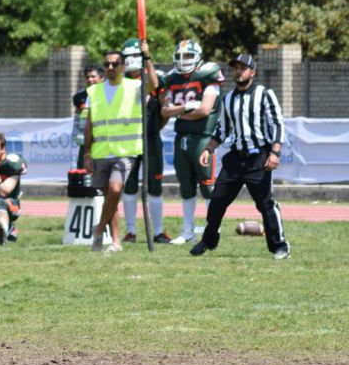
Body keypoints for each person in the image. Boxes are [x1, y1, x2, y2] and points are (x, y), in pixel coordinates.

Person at [190, 53, 291, 259]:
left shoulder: (264, 94)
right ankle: (209, 240)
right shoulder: (228, 99)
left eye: (243, 68)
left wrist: (275, 152)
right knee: (217, 200)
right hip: (235, 158)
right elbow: (222, 129)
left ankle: (280, 246)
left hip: (258, 158)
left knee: (265, 204)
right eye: (236, 68)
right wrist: (208, 149)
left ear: (252, 72)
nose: (238, 72)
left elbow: (277, 124)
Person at [81, 42, 156, 252]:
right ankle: (116, 242)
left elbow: (153, 84)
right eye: (107, 64)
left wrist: (147, 58)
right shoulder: (94, 91)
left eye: (115, 64)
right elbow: (89, 125)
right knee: (110, 199)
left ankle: (98, 230)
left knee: (115, 190)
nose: (111, 67)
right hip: (101, 152)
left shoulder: (134, 86)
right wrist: (87, 153)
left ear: (123, 66)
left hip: (125, 152)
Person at [159, 39, 225, 244]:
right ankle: (187, 231)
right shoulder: (173, 78)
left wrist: (178, 113)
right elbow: (165, 111)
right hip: (182, 139)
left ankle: (213, 228)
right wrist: (184, 109)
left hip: (202, 138)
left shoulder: (208, 76)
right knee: (186, 186)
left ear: (197, 56)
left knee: (207, 185)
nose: (183, 60)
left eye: (187, 55)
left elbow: (204, 110)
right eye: (180, 56)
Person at [120, 39, 171, 244]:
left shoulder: (155, 77)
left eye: (133, 56)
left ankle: (158, 231)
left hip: (150, 139)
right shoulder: (120, 81)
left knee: (155, 185)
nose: (129, 61)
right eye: (126, 57)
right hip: (129, 139)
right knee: (129, 185)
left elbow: (158, 95)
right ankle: (130, 231)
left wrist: (155, 127)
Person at [71, 65, 104, 166]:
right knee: (83, 170)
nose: (90, 79)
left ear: (102, 78)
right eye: (87, 77)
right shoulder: (79, 96)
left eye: (93, 76)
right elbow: (84, 114)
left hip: (105, 138)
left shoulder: (109, 93)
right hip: (87, 139)